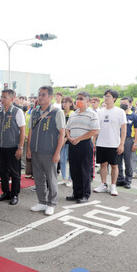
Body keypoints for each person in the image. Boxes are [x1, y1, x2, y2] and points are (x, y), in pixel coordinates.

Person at [27, 86, 66, 216]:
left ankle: (51, 203)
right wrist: (29, 149)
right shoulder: (34, 112)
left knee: (51, 178)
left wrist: (57, 153)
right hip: (36, 151)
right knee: (38, 178)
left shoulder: (56, 112)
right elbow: (31, 131)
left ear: (50, 97)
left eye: (44, 94)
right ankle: (42, 201)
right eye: (39, 94)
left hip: (49, 152)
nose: (40, 97)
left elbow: (62, 133)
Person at [65, 92, 100, 204]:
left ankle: (85, 194)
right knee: (74, 169)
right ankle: (76, 193)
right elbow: (68, 127)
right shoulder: (73, 114)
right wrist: (69, 137)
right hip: (72, 144)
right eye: (77, 99)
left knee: (84, 170)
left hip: (84, 144)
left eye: (81, 99)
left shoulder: (92, 114)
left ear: (88, 102)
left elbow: (95, 130)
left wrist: (79, 138)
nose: (78, 101)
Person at [0, 89, 25, 205]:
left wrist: (20, 147)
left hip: (13, 147)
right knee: (3, 171)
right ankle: (6, 192)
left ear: (12, 98)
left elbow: (22, 130)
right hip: (1, 147)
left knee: (15, 172)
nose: (2, 99)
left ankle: (14, 194)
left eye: (5, 97)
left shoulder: (17, 112)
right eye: (1, 97)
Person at [93, 89, 127, 196]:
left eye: (108, 96)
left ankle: (113, 185)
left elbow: (124, 129)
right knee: (103, 165)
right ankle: (103, 184)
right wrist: (94, 141)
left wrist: (121, 143)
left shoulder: (120, 112)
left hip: (114, 143)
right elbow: (96, 128)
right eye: (105, 96)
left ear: (114, 99)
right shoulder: (100, 112)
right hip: (101, 143)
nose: (106, 98)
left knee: (114, 165)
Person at [116, 97, 137, 189]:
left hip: (129, 140)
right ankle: (120, 179)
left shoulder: (134, 116)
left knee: (128, 161)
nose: (123, 105)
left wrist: (135, 143)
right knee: (118, 161)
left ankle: (128, 180)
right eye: (121, 103)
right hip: (117, 140)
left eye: (125, 103)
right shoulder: (118, 115)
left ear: (130, 104)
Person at [59, 96, 74, 187]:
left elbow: (71, 128)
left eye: (66, 102)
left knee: (70, 161)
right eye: (63, 102)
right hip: (61, 140)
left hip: (69, 140)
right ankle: (64, 178)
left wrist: (66, 138)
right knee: (62, 160)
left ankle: (70, 179)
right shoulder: (61, 113)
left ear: (71, 104)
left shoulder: (72, 113)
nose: (64, 104)